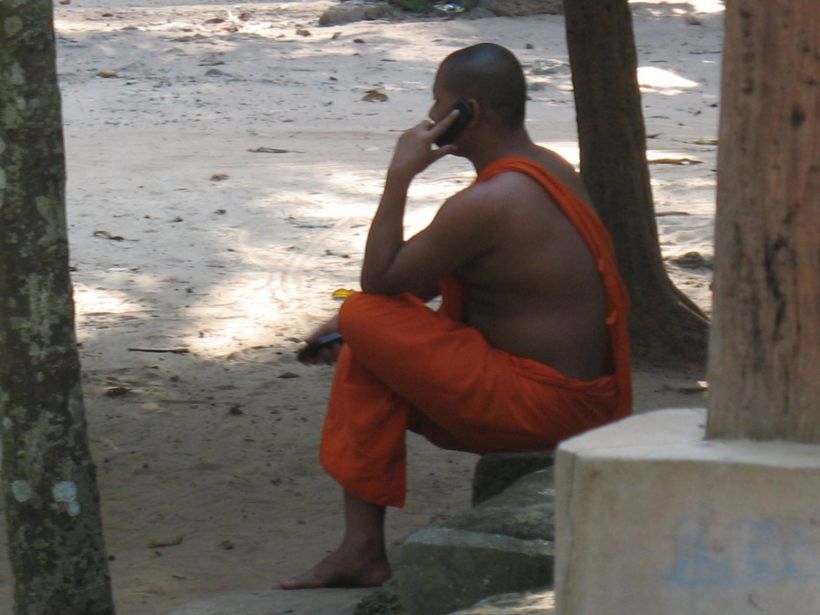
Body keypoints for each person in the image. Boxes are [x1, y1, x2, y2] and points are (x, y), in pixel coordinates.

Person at [281, 42, 631, 589]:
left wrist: (399, 176)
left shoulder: (491, 202)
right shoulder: (550, 169)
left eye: (437, 103)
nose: (428, 117)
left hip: (547, 408)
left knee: (364, 313)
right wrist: (359, 327)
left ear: (467, 111)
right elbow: (418, 281)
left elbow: (378, 282)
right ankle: (361, 552)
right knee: (367, 339)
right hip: (569, 398)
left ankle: (361, 549)